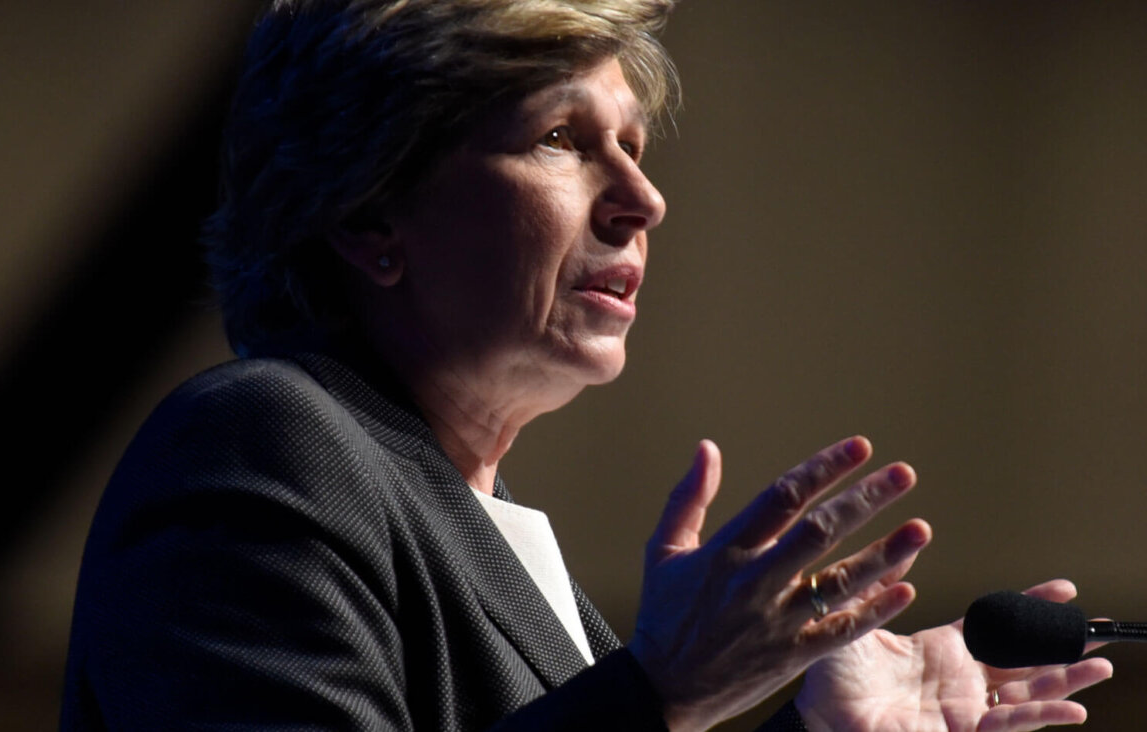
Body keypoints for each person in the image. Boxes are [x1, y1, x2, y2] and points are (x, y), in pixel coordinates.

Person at [60, 1, 1114, 730]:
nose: (642, 201)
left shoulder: (484, 528)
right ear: (371, 213)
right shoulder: (261, 444)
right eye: (563, 139)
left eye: (636, 148)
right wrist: (659, 690)